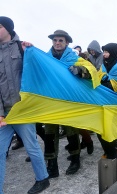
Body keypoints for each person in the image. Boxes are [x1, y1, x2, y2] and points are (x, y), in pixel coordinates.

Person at [0, 16, 49, 194]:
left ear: (8, 29)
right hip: (5, 113)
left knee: (32, 147)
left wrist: (32, 51)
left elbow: (39, 74)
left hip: (24, 110)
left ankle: (42, 179)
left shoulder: (23, 48)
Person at [69, 43, 117, 159]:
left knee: (110, 129)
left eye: (107, 52)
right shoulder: (105, 65)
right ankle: (107, 151)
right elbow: (98, 75)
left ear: (113, 53)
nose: (105, 54)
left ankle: (112, 155)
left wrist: (106, 83)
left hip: (114, 104)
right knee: (101, 129)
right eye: (104, 52)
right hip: (102, 102)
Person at [44, 30, 81, 177]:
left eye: (60, 40)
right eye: (55, 40)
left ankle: (75, 160)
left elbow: (91, 71)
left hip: (68, 101)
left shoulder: (74, 58)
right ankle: (52, 165)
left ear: (66, 43)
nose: (57, 43)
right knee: (49, 134)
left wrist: (79, 70)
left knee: (71, 132)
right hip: (51, 101)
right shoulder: (45, 58)